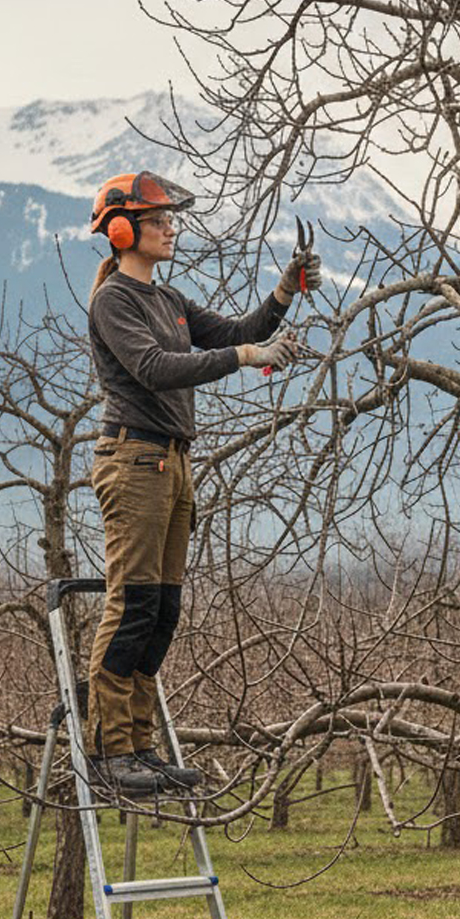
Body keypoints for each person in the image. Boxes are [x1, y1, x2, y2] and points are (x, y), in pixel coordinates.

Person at [84, 171, 321, 794]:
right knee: (131, 603)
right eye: (159, 220)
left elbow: (241, 333)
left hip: (171, 464)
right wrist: (246, 361)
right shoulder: (115, 303)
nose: (171, 229)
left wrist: (283, 293)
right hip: (134, 461)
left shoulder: (169, 301)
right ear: (122, 229)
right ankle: (109, 754)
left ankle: (137, 748)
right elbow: (157, 368)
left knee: (161, 611)